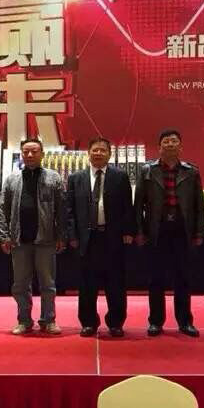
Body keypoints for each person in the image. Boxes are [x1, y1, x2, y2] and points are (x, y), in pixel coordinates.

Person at [134, 129, 204, 338]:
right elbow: (138, 204)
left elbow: (199, 205)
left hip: (183, 230)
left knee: (183, 278)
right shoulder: (147, 170)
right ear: (159, 147)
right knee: (155, 278)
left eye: (174, 141)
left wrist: (199, 231)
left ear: (180, 147)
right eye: (166, 141)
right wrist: (139, 230)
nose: (170, 144)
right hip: (157, 230)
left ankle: (185, 322)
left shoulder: (191, 172)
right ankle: (155, 322)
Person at [67, 137, 135, 337]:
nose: (98, 153)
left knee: (116, 283)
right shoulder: (75, 178)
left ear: (109, 154)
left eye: (102, 150)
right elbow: (69, 210)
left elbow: (128, 207)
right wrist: (72, 235)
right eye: (95, 150)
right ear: (88, 154)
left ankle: (115, 323)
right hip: (87, 239)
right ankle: (88, 322)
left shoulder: (120, 177)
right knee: (87, 284)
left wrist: (128, 232)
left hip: (113, 238)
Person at [0, 138, 66, 335]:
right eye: (26, 152)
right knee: (20, 284)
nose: (29, 155)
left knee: (48, 284)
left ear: (42, 154)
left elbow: (62, 210)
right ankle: (24, 320)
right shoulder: (12, 179)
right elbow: (3, 209)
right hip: (19, 240)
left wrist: (61, 235)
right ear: (21, 154)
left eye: (34, 151)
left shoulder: (54, 178)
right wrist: (4, 236)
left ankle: (48, 320)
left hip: (46, 239)